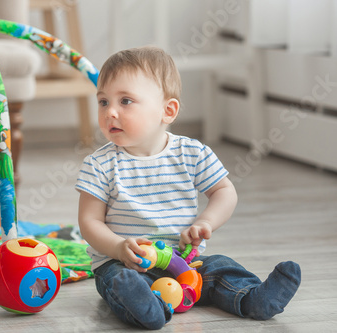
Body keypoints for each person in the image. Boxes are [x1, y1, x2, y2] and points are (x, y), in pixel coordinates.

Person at [75, 46, 301, 330]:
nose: (111, 112)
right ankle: (149, 307)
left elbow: (224, 191)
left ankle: (252, 298)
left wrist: (206, 221)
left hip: (184, 261)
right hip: (127, 263)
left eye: (126, 101)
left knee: (219, 267)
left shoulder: (191, 153)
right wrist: (119, 248)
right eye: (103, 102)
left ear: (167, 110)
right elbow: (89, 221)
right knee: (121, 282)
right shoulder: (99, 163)